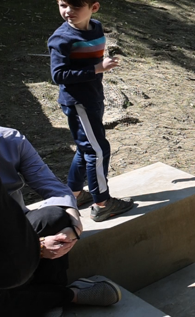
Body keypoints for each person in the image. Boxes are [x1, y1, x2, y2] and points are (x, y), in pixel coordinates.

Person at [0, 126, 123, 314]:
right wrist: (38, 248)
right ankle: (67, 296)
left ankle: (44, 293)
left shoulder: (9, 139)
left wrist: (74, 221)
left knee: (55, 217)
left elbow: (51, 186)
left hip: (16, 228)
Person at [48, 0, 135, 223]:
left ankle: (74, 195)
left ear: (93, 7)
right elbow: (58, 75)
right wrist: (97, 68)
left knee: (87, 147)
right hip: (78, 102)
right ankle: (102, 203)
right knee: (98, 150)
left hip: (94, 97)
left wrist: (98, 68)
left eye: (75, 6)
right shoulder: (61, 39)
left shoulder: (95, 27)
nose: (68, 11)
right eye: (63, 5)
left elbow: (90, 58)